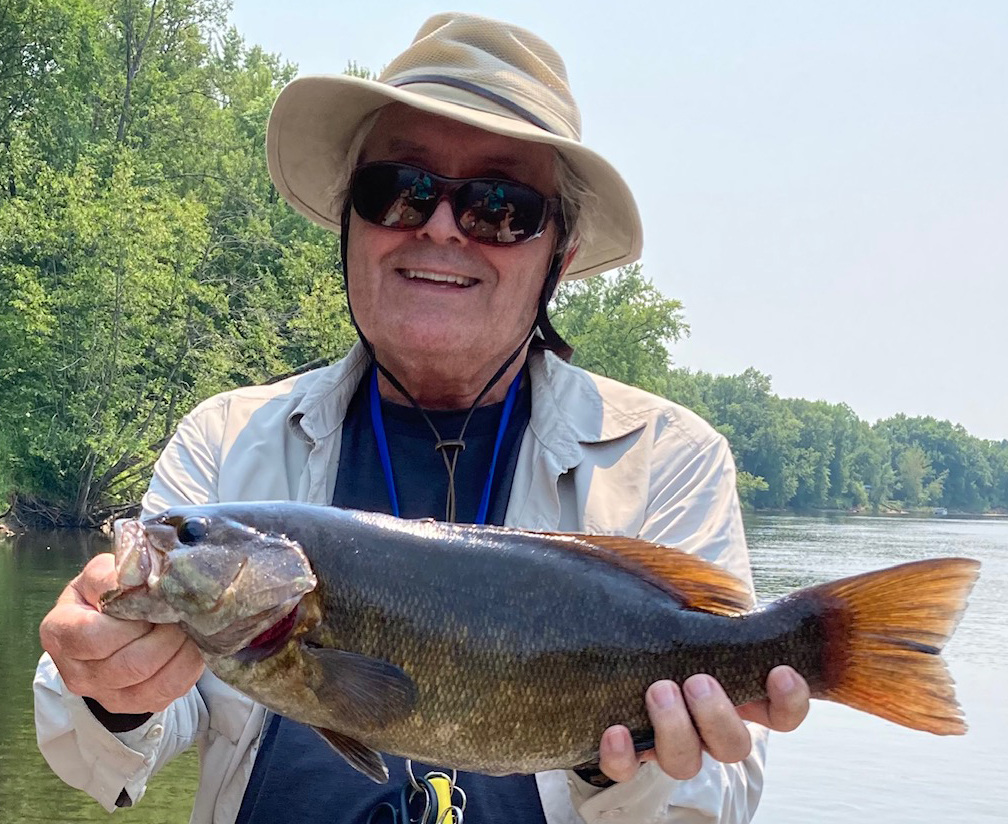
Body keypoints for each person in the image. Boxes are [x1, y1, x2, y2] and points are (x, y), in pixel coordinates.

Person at [33, 12, 810, 824]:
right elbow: (102, 758)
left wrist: (628, 766)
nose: (441, 227)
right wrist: (110, 689)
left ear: (562, 253)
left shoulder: (668, 460)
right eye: (398, 191)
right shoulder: (226, 442)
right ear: (350, 221)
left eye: (500, 206)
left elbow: (713, 804)